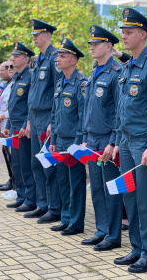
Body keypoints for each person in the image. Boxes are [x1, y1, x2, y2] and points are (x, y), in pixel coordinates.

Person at [112, 8, 147, 273]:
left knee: (145, 200)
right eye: (123, 31)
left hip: (142, 143)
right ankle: (136, 249)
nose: (124, 36)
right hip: (125, 142)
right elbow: (121, 109)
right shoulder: (128, 67)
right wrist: (116, 141)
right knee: (130, 199)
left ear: (143, 35)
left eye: (129, 32)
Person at [81, 25, 123, 251]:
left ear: (109, 46)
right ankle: (101, 230)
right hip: (93, 138)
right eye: (91, 44)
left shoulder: (116, 72)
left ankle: (113, 235)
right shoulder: (94, 71)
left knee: (110, 188)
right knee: (96, 187)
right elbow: (89, 107)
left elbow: (119, 110)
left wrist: (113, 141)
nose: (92, 47)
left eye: (96, 43)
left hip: (107, 139)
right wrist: (86, 136)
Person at [25, 19, 63, 222]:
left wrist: (52, 121)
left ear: (48, 35)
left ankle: (54, 208)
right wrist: (29, 121)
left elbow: (59, 89)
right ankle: (43, 204)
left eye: (37, 34)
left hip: (48, 116)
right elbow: (33, 92)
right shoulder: (38, 59)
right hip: (35, 116)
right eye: (33, 35)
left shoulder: (55, 58)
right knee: (36, 163)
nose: (34, 37)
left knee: (49, 165)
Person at [49, 38, 86, 235]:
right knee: (62, 181)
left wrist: (78, 143)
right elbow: (54, 115)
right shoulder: (59, 83)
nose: (58, 59)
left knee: (76, 183)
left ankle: (76, 223)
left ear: (73, 61)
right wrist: (53, 139)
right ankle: (66, 218)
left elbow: (83, 116)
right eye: (58, 56)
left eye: (62, 56)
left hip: (73, 140)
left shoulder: (81, 83)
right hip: (60, 139)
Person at [4, 42, 37, 213]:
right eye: (13, 56)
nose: (12, 59)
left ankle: (30, 199)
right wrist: (9, 124)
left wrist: (25, 125)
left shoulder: (30, 77)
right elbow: (13, 104)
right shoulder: (17, 77)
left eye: (16, 57)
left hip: (23, 128)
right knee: (16, 163)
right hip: (15, 126)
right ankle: (22, 196)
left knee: (25, 163)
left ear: (26, 59)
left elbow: (30, 105)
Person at [0, 60, 15, 195]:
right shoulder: (8, 84)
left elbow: (16, 106)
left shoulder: (15, 84)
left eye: (8, 67)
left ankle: (15, 185)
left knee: (13, 157)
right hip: (5, 125)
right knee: (7, 154)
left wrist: (4, 115)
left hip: (11, 124)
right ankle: (12, 181)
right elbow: (4, 103)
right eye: (4, 68)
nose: (2, 71)